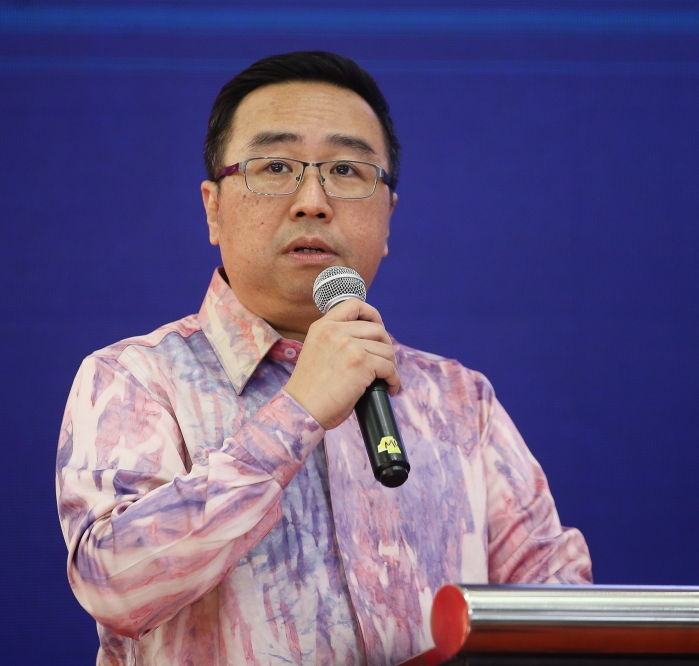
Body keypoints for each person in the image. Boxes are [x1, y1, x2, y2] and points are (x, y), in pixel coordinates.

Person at [56, 51, 591, 666]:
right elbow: (115, 585)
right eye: (276, 166)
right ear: (213, 208)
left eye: (346, 170)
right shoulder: (134, 379)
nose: (312, 200)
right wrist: (298, 411)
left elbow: (558, 610)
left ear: (388, 216)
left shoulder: (458, 401)